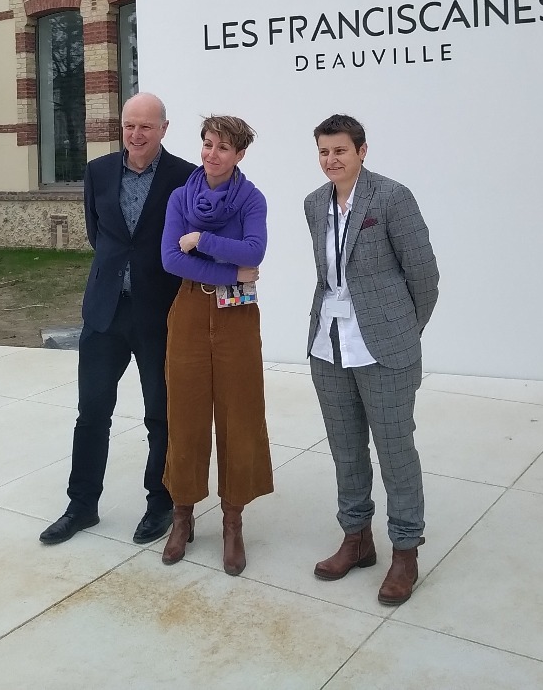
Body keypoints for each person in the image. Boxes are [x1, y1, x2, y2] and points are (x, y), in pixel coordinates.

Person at [39, 92, 196, 547]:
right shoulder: (98, 172)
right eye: (129, 125)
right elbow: (99, 235)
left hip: (159, 312)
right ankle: (81, 505)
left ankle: (160, 503)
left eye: (146, 126)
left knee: (160, 416)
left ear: (164, 129)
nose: (136, 134)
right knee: (91, 413)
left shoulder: (185, 177)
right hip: (105, 312)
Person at [304, 113, 439, 605]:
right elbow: (328, 276)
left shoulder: (392, 198)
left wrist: (403, 330)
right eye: (324, 151)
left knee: (394, 449)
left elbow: (424, 276)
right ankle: (356, 537)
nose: (331, 160)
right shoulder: (314, 204)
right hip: (329, 345)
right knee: (346, 449)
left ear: (361, 151)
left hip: (383, 348)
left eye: (340, 150)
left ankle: (405, 549)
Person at [159, 115, 273, 576]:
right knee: (184, 415)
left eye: (223, 147)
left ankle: (232, 521)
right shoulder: (180, 197)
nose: (212, 154)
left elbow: (255, 251)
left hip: (237, 318)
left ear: (240, 154)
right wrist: (229, 270)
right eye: (208, 144)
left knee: (239, 415)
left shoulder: (252, 199)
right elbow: (170, 259)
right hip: (189, 310)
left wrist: (201, 240)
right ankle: (182, 515)